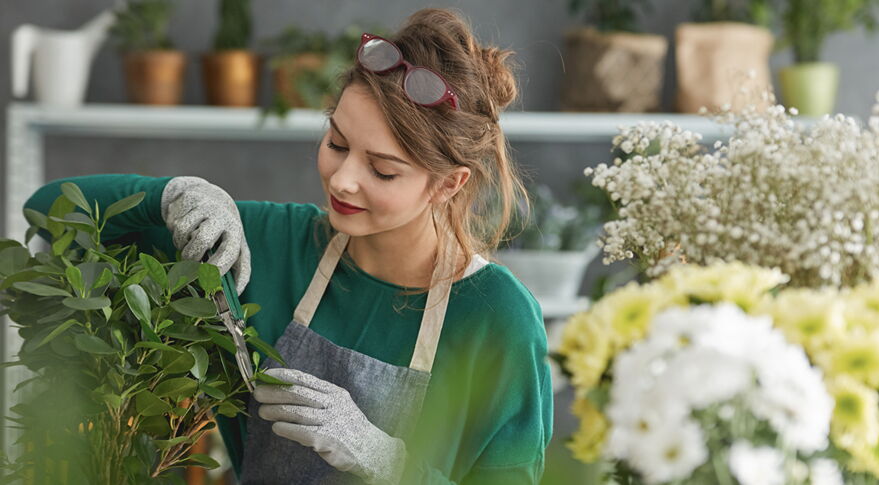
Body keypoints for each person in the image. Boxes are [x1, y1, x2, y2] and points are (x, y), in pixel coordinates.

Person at [23, 7, 552, 485]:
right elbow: (48, 211)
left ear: (448, 184)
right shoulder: (268, 243)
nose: (342, 180)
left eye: (382, 170)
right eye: (337, 143)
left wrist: (386, 462)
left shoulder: (498, 318)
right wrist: (170, 195)